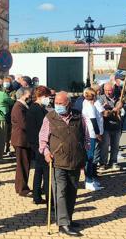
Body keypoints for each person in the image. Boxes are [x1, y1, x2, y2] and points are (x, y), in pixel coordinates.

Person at [39, 91, 90, 237]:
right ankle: (63, 224)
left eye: (61, 103)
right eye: (56, 103)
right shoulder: (50, 117)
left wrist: (83, 151)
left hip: (75, 161)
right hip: (57, 161)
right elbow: (42, 140)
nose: (58, 106)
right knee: (60, 192)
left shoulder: (79, 116)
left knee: (72, 192)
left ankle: (68, 218)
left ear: (69, 104)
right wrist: (46, 152)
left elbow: (86, 136)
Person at [28, 86, 51, 205]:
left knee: (39, 171)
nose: (48, 99)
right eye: (46, 97)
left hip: (36, 143)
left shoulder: (37, 108)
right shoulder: (36, 109)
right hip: (39, 144)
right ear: (40, 97)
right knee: (46, 173)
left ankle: (36, 196)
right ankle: (49, 200)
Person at [11, 87, 33, 196]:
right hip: (21, 140)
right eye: (28, 95)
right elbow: (23, 124)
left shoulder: (22, 106)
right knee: (22, 164)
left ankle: (21, 186)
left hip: (23, 139)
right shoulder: (18, 107)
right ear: (23, 95)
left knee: (24, 164)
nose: (29, 97)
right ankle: (22, 188)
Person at [81, 87, 104, 191]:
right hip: (91, 134)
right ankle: (89, 181)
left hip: (91, 133)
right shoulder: (90, 106)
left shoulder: (88, 104)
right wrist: (98, 133)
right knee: (90, 158)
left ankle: (91, 179)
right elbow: (94, 121)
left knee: (91, 157)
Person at [98, 82, 124, 170]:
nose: (108, 92)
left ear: (113, 89)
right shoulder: (101, 98)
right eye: (106, 90)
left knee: (115, 146)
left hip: (117, 126)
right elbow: (104, 114)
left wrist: (121, 108)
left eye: (110, 90)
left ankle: (113, 162)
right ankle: (102, 163)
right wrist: (114, 110)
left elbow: (124, 110)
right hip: (106, 126)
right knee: (105, 145)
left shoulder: (119, 98)